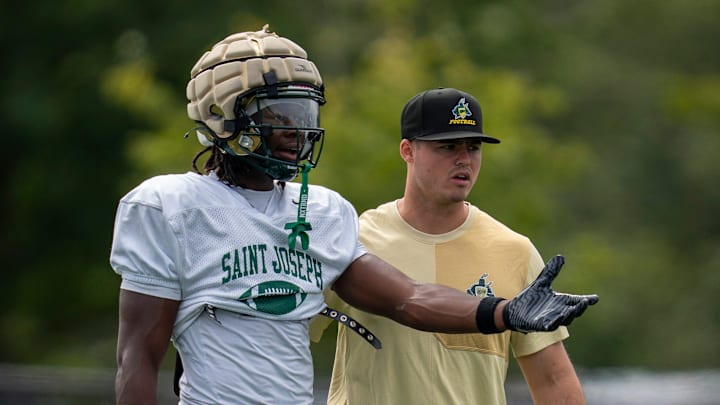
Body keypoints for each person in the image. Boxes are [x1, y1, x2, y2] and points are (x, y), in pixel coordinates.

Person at [110, 27, 598, 405]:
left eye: (304, 115)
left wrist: (501, 312)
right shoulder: (168, 207)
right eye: (279, 115)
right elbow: (138, 358)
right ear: (222, 115)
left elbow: (407, 299)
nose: (297, 131)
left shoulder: (321, 211)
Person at [311, 87, 591, 404]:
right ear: (407, 150)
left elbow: (553, 380)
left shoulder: (515, 250)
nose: (463, 159)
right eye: (447, 146)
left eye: (473, 147)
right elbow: (286, 337)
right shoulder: (354, 239)